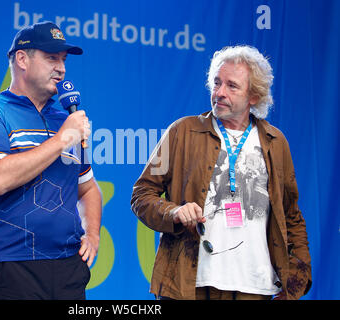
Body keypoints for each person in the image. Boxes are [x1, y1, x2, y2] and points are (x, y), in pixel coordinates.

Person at [131, 45, 311, 300]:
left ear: (254, 96)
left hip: (254, 287)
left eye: (232, 86)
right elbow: (142, 194)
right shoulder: (182, 132)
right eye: (216, 83)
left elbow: (292, 216)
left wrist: (296, 281)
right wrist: (174, 211)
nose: (220, 93)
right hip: (188, 284)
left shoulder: (276, 142)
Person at [0, 21, 102, 300]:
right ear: (22, 59)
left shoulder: (66, 120)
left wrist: (93, 234)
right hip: (12, 264)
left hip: (68, 269)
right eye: (52, 58)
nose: (61, 68)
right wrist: (62, 140)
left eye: (63, 60)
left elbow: (88, 188)